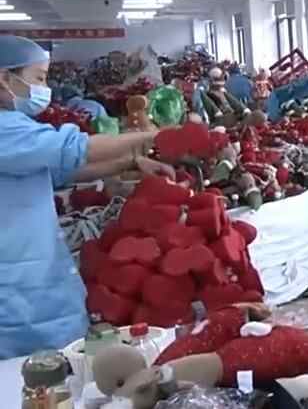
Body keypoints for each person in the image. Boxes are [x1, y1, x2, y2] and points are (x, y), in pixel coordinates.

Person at [0, 35, 176, 359]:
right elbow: (76, 148)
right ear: (5, 78)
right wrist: (154, 136)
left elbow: (62, 170)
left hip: (33, 276)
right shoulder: (4, 128)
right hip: (17, 294)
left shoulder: (15, 128)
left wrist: (131, 161)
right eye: (39, 78)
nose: (45, 88)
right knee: (32, 376)